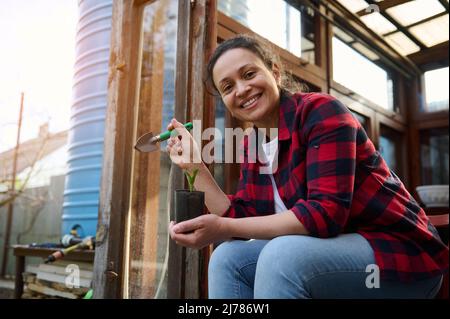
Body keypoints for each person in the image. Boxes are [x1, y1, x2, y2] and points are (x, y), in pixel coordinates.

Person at [166, 34, 448, 299]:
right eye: (227, 87)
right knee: (227, 259)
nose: (241, 89)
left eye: (249, 74)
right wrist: (194, 165)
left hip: (401, 258)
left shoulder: (321, 112)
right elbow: (241, 219)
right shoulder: (251, 142)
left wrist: (223, 226)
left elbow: (325, 214)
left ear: (275, 73)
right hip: (331, 253)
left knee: (281, 256)